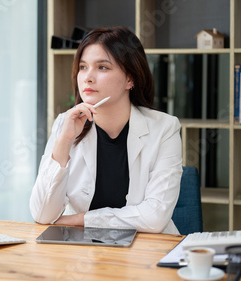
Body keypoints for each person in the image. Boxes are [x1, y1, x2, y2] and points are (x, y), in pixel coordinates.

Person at [29, 26, 183, 234]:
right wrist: (64, 140)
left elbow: (155, 217)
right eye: (83, 67)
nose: (87, 78)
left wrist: (82, 219)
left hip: (146, 252)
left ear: (130, 79)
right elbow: (42, 214)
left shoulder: (165, 128)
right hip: (84, 254)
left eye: (102, 67)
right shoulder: (64, 124)